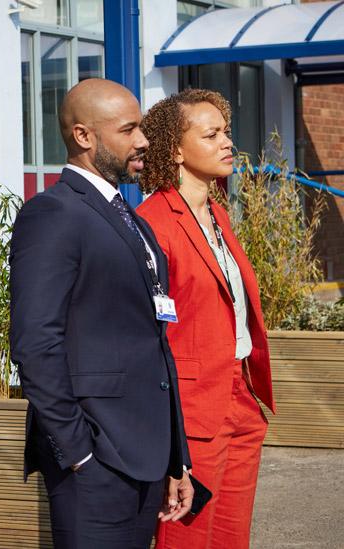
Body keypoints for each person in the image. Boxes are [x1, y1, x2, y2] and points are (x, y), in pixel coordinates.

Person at [8, 78, 193, 549]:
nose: (144, 141)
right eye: (129, 129)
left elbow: (153, 340)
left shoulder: (127, 216)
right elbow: (35, 344)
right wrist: (77, 453)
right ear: (84, 136)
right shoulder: (53, 214)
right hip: (95, 463)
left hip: (146, 457)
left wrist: (176, 459)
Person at [136, 88, 275, 549]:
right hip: (192, 408)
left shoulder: (217, 214)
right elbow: (147, 333)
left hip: (240, 393)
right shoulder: (153, 221)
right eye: (211, 134)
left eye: (227, 132)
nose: (226, 143)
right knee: (187, 536)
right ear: (175, 149)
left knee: (233, 536)